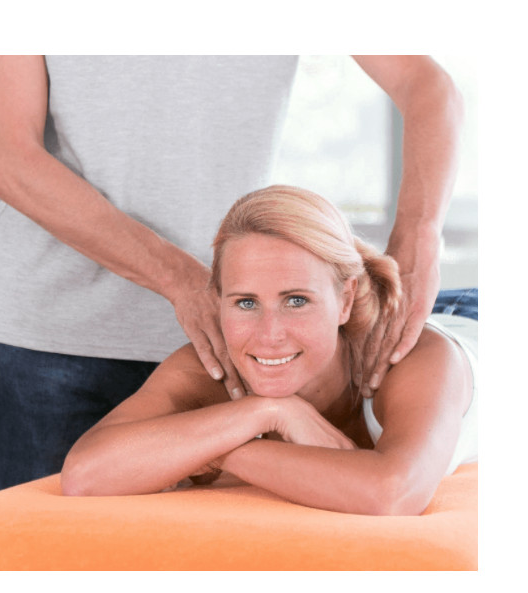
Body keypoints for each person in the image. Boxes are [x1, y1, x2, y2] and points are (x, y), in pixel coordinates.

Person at [0, 55, 464, 493]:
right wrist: (180, 279)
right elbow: (13, 160)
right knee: (46, 552)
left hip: (240, 339)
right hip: (59, 334)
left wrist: (419, 238)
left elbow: (426, 84)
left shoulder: (293, 337)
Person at [60, 185, 477, 515]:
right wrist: (268, 412)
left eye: (296, 300)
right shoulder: (216, 364)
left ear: (345, 300)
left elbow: (392, 494)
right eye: (246, 302)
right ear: (217, 300)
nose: (268, 335)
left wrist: (219, 450)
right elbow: (84, 474)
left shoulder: (410, 358)